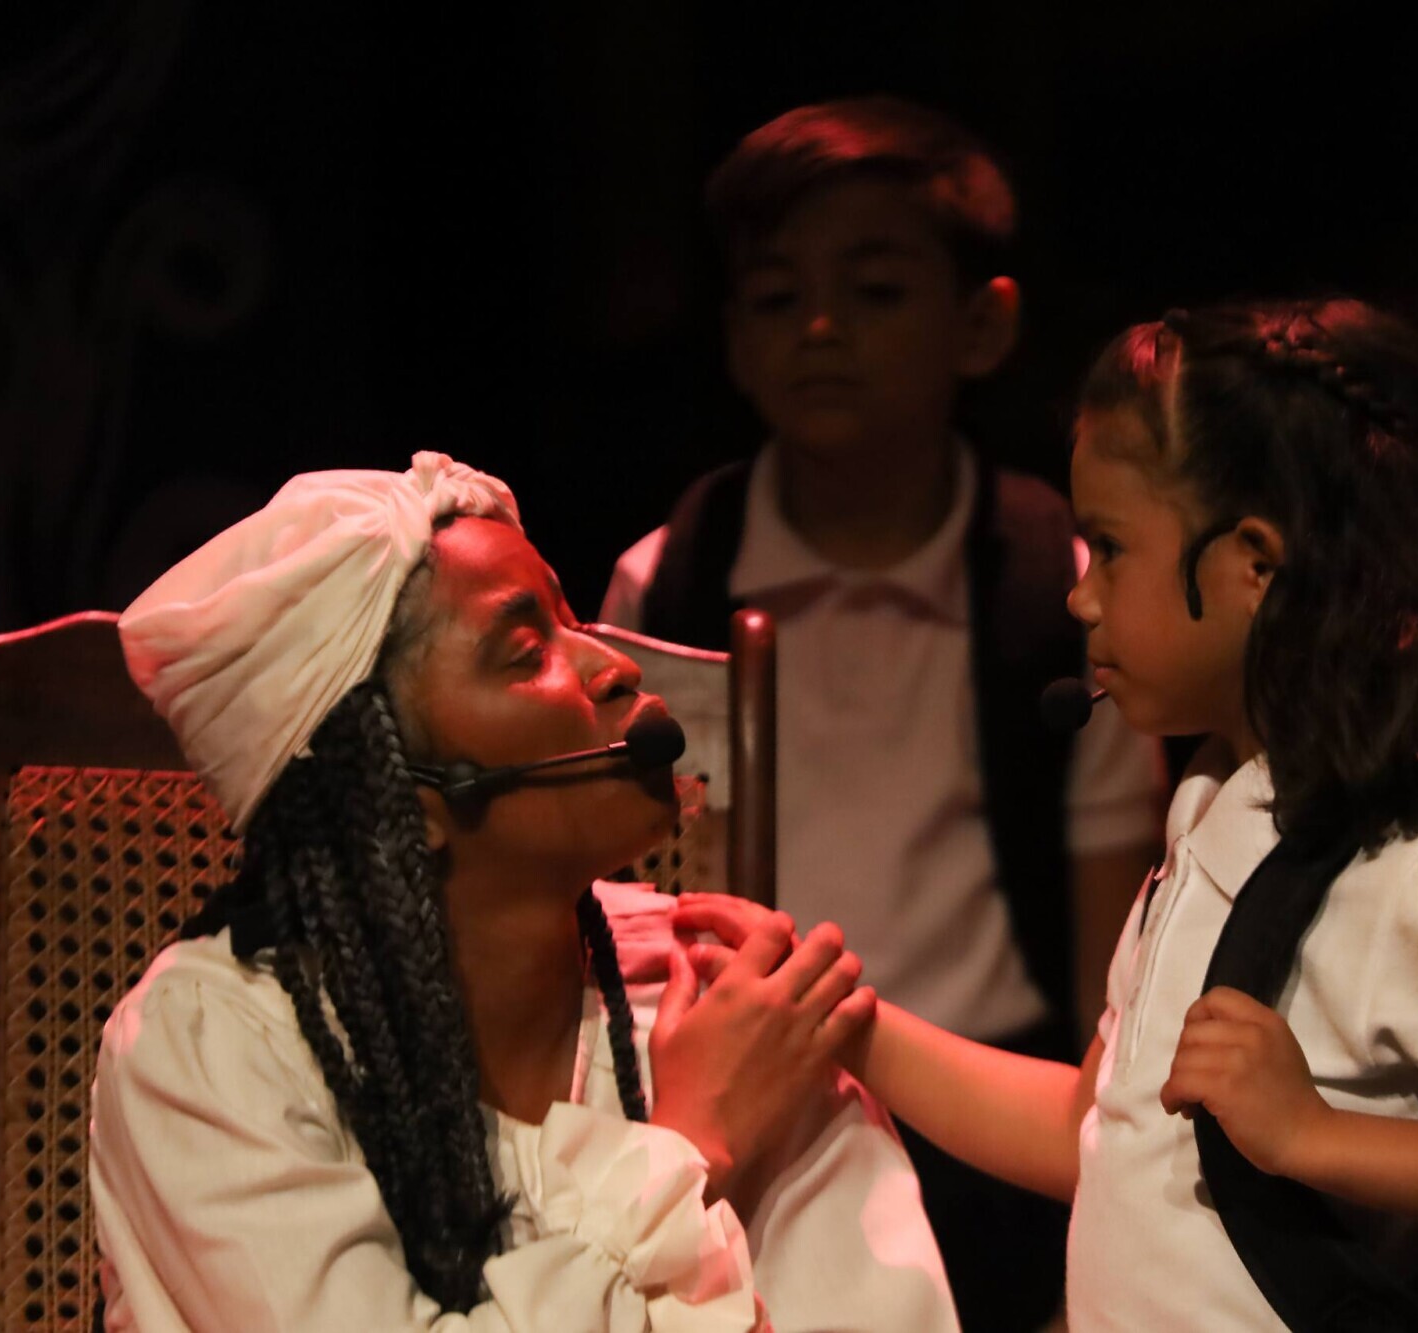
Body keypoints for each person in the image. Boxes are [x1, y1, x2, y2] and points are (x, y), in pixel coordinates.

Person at [683, 297, 1418, 1330]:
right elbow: (1094, 1128)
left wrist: (1310, 1133)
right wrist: (835, 1018)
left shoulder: (1415, 867)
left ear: (1252, 565)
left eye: (1109, 547)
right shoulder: (1208, 822)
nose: (1082, 596)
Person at [90, 453, 958, 1332]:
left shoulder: (725, 1005)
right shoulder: (216, 1047)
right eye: (526, 650)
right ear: (402, 797)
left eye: (572, 617)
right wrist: (690, 1147)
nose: (612, 665)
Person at [598, 96, 1161, 1331]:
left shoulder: (1061, 586)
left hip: (994, 1130)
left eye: (874, 291)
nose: (819, 328)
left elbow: (1108, 948)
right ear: (733, 339)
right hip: (753, 1127)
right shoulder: (670, 579)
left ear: (981, 322)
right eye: (773, 296)